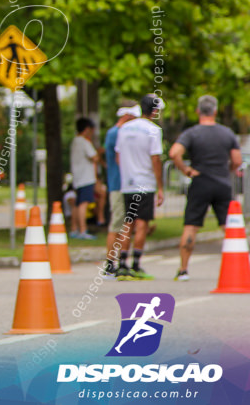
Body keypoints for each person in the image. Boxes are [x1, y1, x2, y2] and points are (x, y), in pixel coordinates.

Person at [168, 94, 242, 281]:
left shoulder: (192, 133)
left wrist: (186, 169)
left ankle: (183, 269)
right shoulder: (227, 133)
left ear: (198, 111)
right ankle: (239, 267)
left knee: (191, 226)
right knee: (229, 227)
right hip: (222, 184)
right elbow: (237, 160)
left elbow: (174, 153)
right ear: (215, 111)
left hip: (200, 182)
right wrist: (229, 171)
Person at [114, 93, 166, 281]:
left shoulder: (124, 129)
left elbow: (118, 156)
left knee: (128, 222)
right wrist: (160, 187)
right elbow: (155, 159)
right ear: (154, 111)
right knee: (142, 223)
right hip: (145, 182)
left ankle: (122, 264)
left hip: (128, 183)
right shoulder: (153, 130)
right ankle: (136, 264)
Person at [103, 101, 139, 278]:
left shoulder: (121, 132)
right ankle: (110, 263)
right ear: (127, 117)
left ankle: (120, 261)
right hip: (119, 185)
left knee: (125, 225)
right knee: (117, 224)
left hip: (126, 185)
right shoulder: (116, 133)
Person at [69, 118, 100, 239]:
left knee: (77, 204)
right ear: (87, 130)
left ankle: (74, 228)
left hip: (77, 176)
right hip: (86, 177)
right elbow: (94, 157)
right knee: (83, 203)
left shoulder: (75, 141)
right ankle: (83, 230)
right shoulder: (84, 142)